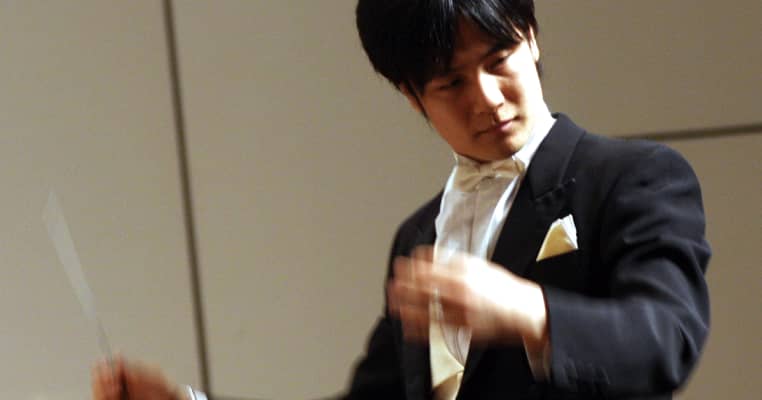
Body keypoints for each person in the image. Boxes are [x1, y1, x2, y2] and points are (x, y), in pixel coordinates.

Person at [92, 1, 711, 399]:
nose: (486, 98)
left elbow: (669, 336)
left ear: (531, 37)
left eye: (499, 59)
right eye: (451, 82)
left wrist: (527, 310)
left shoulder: (635, 177)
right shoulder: (418, 236)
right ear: (413, 97)